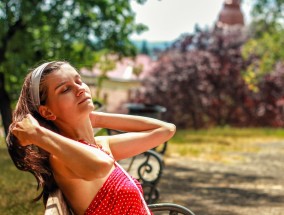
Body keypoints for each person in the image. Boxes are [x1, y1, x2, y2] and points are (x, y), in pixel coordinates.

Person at [6, 61, 176, 215]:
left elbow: (166, 130)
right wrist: (38, 134)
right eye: (65, 89)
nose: (80, 89)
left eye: (79, 81)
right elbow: (100, 166)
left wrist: (96, 118)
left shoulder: (98, 145)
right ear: (47, 112)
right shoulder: (62, 158)